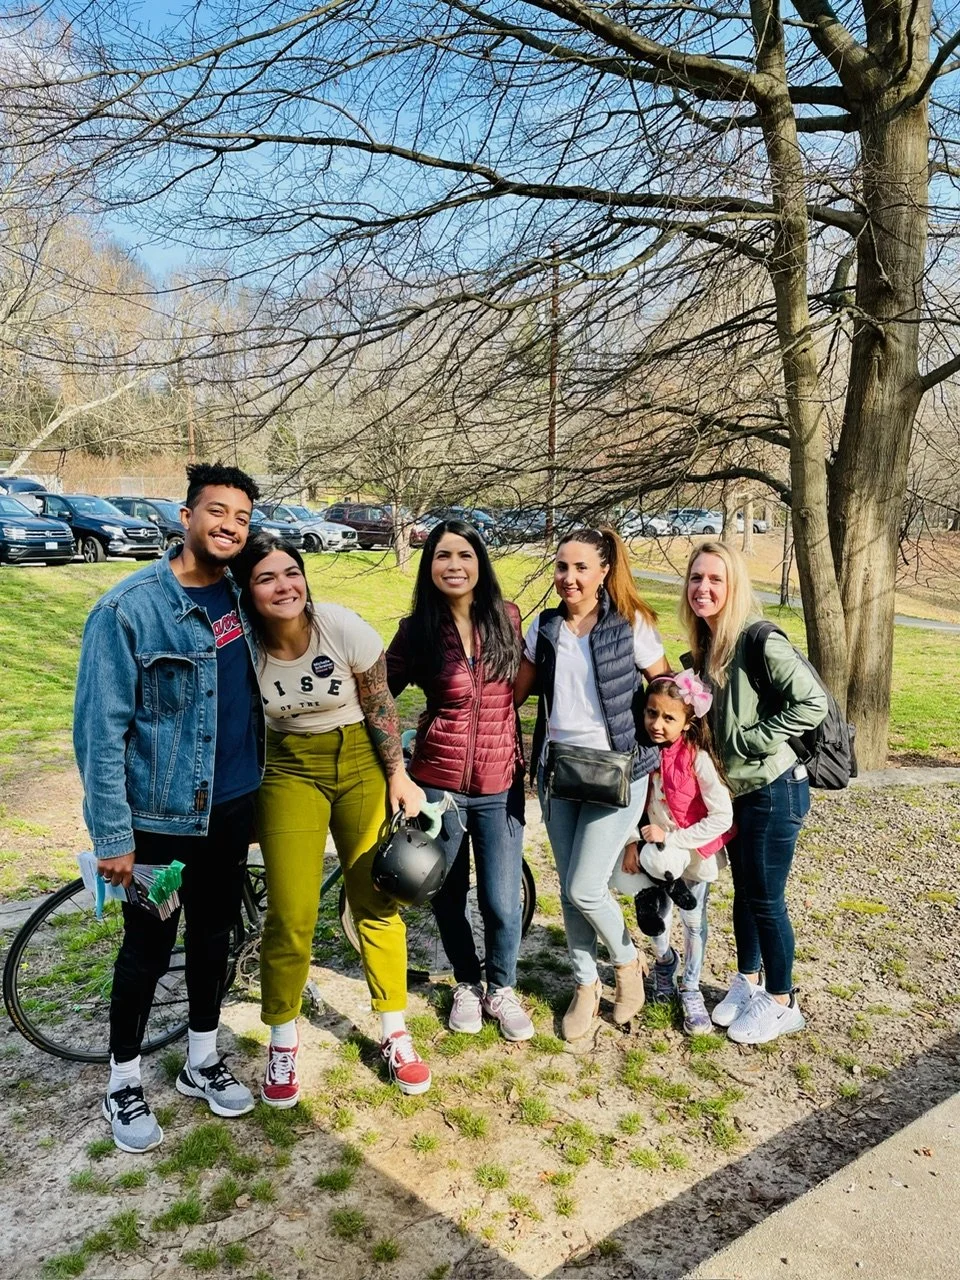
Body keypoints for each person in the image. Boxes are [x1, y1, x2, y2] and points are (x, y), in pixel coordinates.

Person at [74, 462, 264, 1154]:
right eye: (216, 512)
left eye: (241, 518)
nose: (229, 526)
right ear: (185, 517)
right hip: (160, 824)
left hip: (232, 811)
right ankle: (122, 1080)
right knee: (149, 948)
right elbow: (100, 734)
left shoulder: (246, 598)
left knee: (214, 938)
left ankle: (201, 1059)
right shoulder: (129, 609)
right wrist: (113, 836)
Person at [234, 535, 431, 1104]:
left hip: (358, 764)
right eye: (267, 578)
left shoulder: (341, 627)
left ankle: (395, 1032)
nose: (284, 586)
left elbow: (381, 705)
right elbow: (241, 726)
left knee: (374, 899)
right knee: (291, 913)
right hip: (287, 768)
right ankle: (282, 1039)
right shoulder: (245, 649)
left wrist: (397, 772)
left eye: (291, 573)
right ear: (249, 592)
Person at [514, 527, 669, 1041]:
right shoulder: (545, 629)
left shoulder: (632, 626)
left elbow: (667, 696)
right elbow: (513, 693)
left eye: (581, 567)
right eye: (562, 567)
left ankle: (627, 967)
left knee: (586, 886)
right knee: (571, 888)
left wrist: (661, 790)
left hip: (619, 772)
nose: (569, 577)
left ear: (604, 571)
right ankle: (585, 984)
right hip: (560, 771)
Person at [386, 520, 533, 1042]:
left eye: (464, 555)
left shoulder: (508, 618)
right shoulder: (417, 629)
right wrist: (393, 765)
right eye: (442, 555)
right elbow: (379, 693)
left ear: (480, 562)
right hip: (438, 788)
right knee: (448, 894)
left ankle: (502, 986)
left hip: (500, 784)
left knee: (499, 899)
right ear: (429, 566)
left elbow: (525, 685)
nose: (454, 565)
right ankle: (467, 982)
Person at [681, 540, 827, 1045]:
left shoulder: (758, 639)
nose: (703, 588)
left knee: (767, 899)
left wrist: (750, 739)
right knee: (744, 893)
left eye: (715, 579)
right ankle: (748, 979)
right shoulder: (706, 648)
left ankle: (783, 1001)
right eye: (696, 578)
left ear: (734, 586)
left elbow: (813, 701)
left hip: (775, 788)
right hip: (738, 791)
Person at [610, 671, 734, 1035]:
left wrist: (675, 838)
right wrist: (633, 841)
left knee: (693, 921)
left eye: (668, 717)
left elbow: (722, 815)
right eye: (651, 713)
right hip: (651, 853)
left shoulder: (697, 759)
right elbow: (627, 804)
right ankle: (665, 962)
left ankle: (691, 986)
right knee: (653, 916)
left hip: (691, 855)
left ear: (687, 720)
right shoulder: (638, 754)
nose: (657, 724)